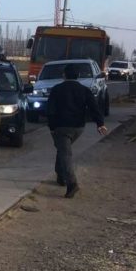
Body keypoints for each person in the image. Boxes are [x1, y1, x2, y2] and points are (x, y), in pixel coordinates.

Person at [46, 63, 108, 198]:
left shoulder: (57, 89)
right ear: (78, 76)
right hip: (78, 127)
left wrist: (51, 127)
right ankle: (61, 176)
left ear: (64, 75)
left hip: (61, 127)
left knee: (65, 154)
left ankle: (72, 183)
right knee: (62, 150)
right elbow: (94, 107)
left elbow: (50, 110)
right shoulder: (84, 90)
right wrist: (100, 124)